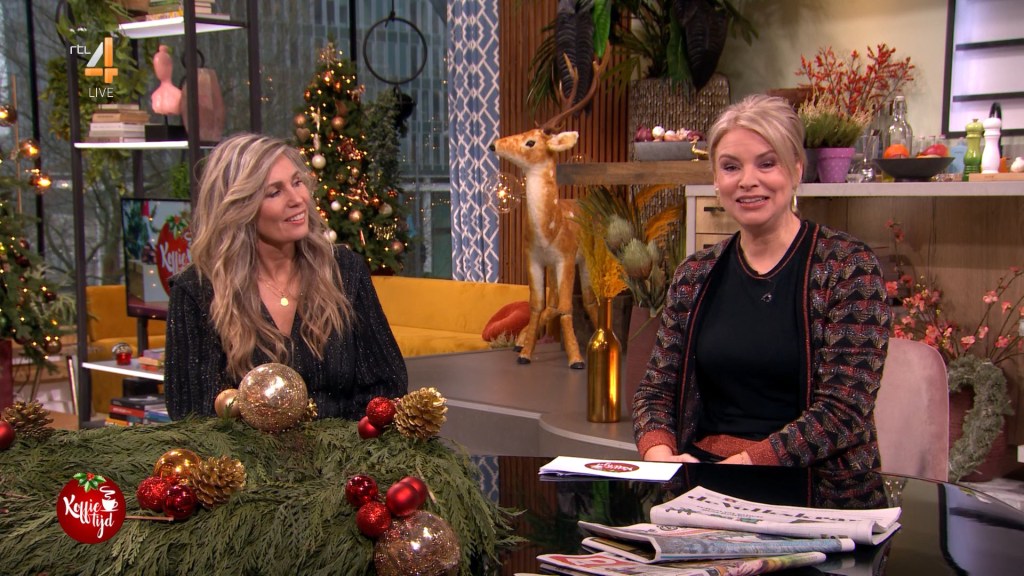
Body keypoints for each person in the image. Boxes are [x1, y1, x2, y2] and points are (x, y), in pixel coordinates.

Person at [632, 94, 890, 471]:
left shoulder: (849, 267)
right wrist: (662, 460)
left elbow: (844, 411)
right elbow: (656, 392)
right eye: (731, 167)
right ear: (716, 180)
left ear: (796, 169)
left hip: (814, 483)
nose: (748, 181)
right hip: (703, 475)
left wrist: (743, 466)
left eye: (767, 163)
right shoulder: (694, 274)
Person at [164, 133, 407, 420]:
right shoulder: (197, 290)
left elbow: (387, 385)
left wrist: (339, 440)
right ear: (239, 207)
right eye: (274, 192)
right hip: (246, 450)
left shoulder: (344, 271)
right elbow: (192, 415)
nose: (297, 199)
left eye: (297, 182)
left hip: (348, 446)